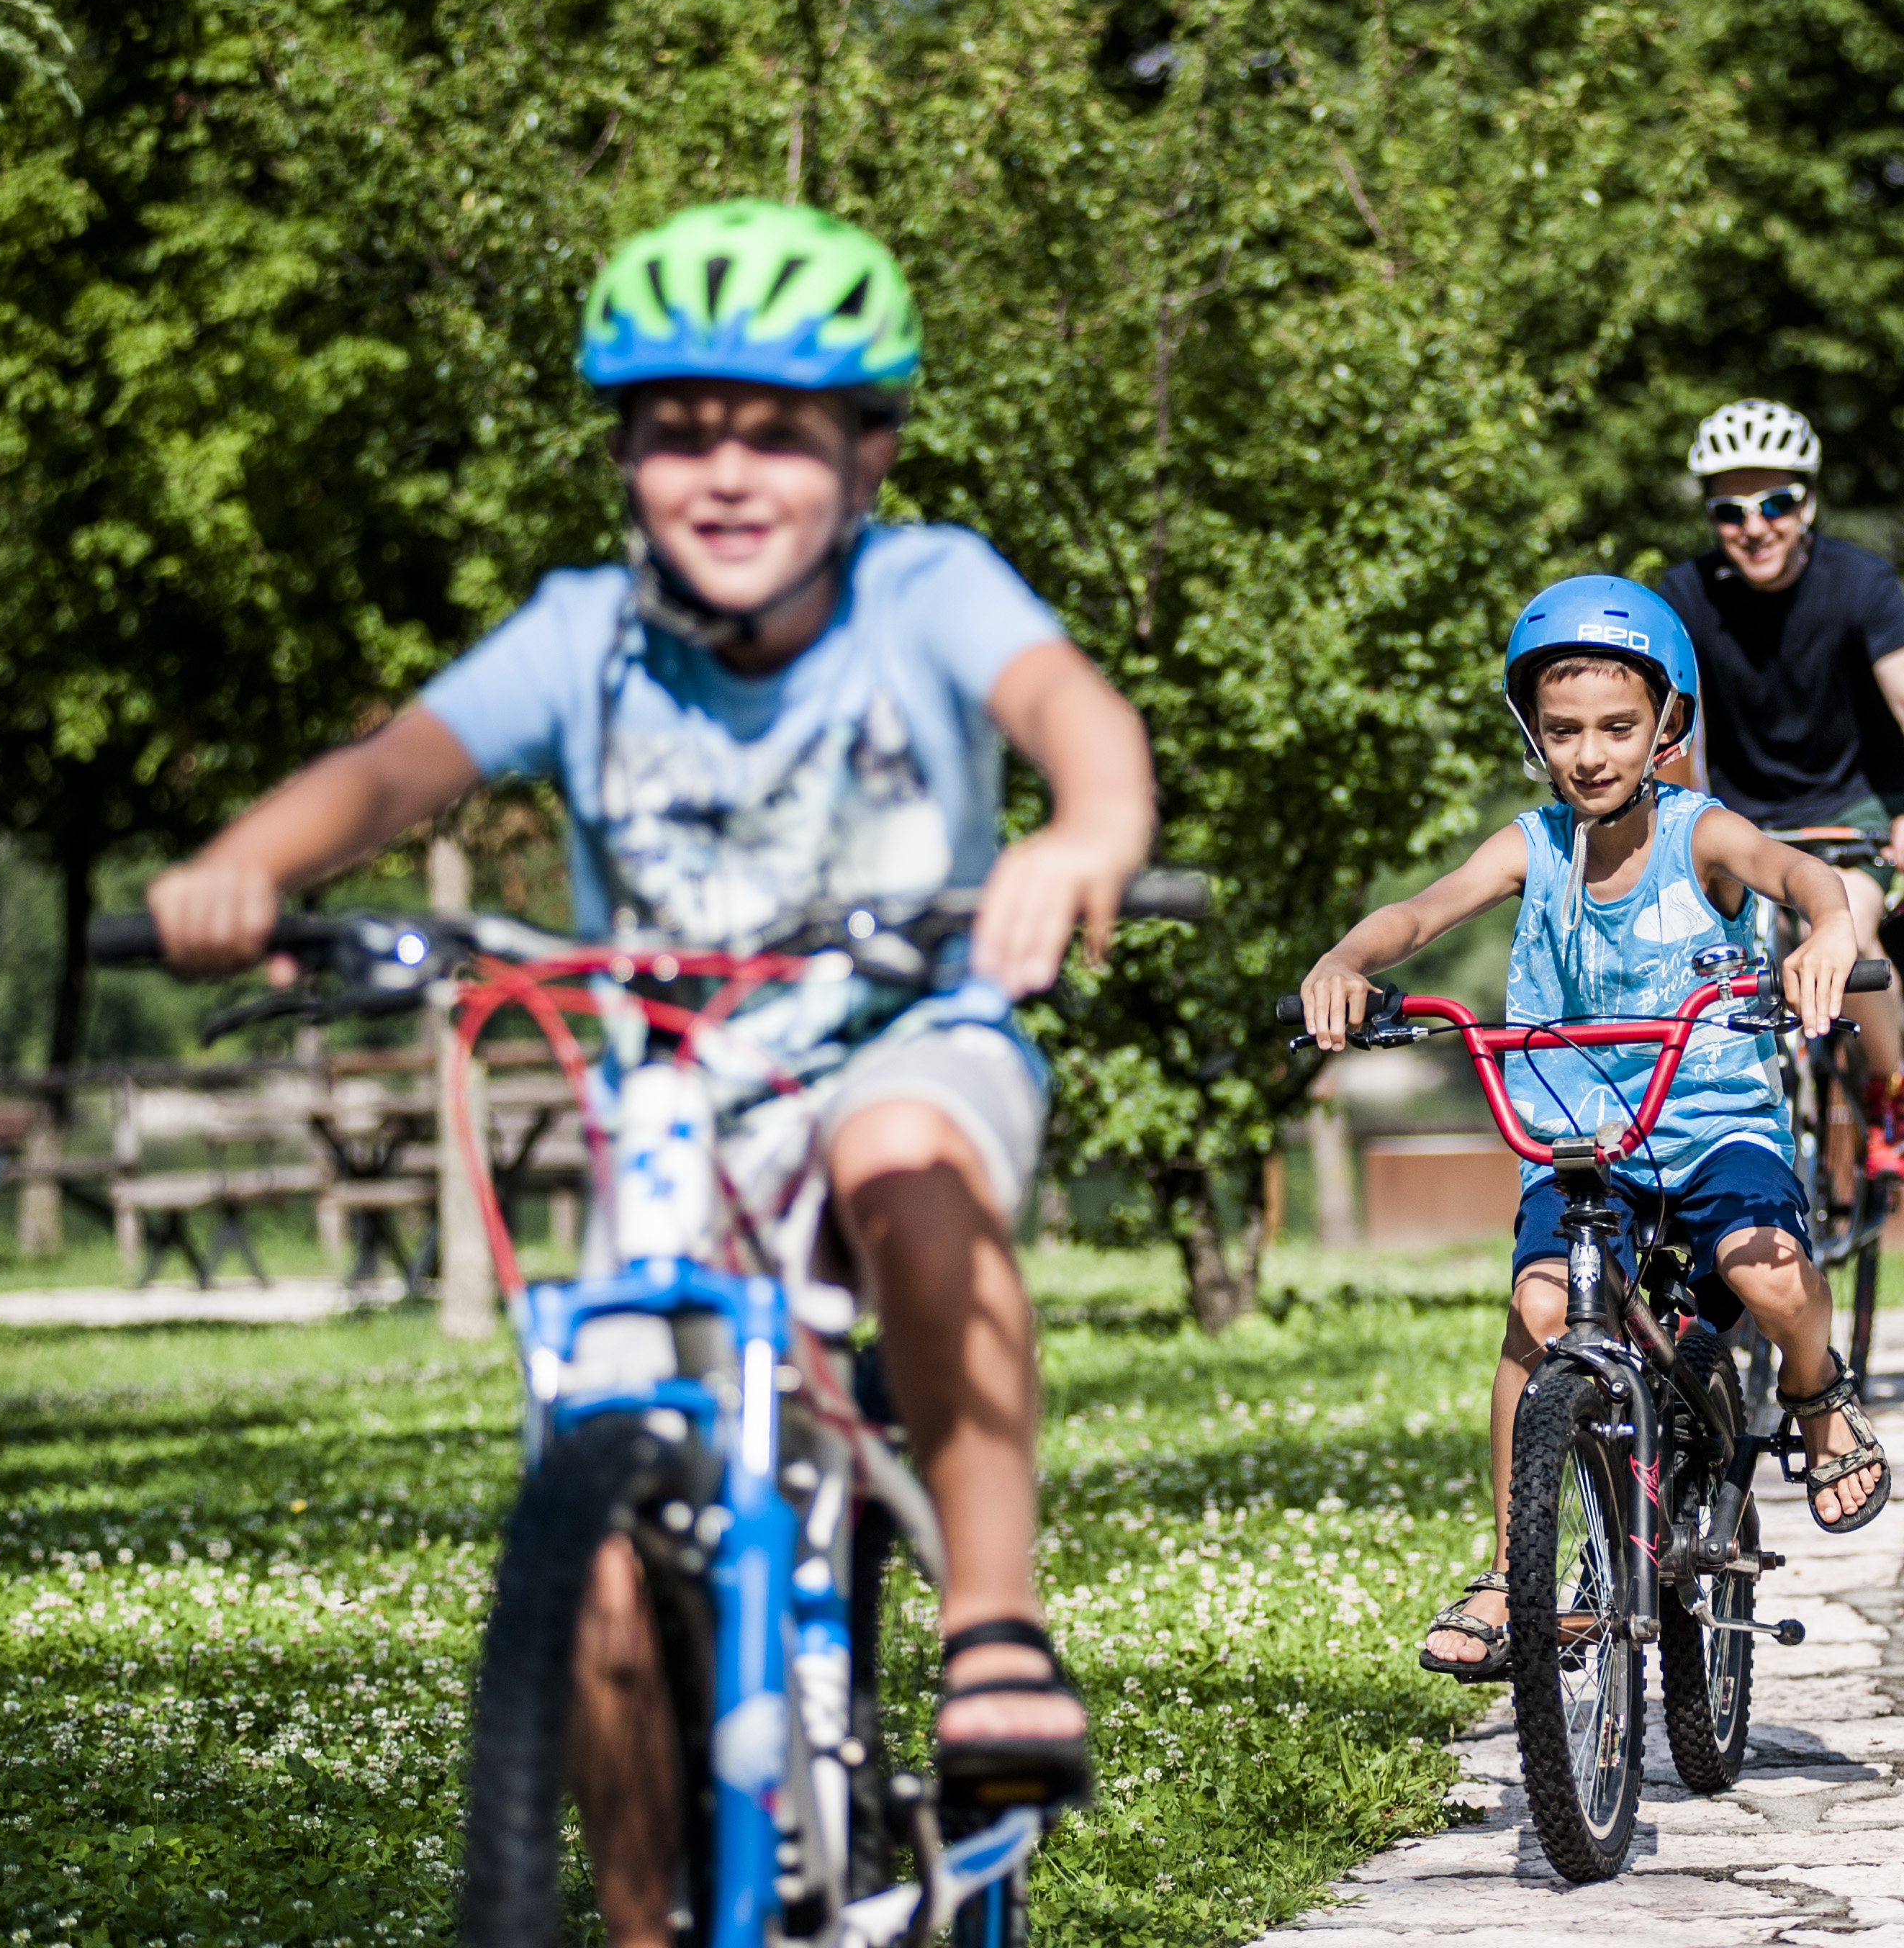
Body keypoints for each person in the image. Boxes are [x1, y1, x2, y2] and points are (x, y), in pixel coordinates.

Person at [138, 201, 1156, 1939]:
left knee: (906, 1156)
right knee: (599, 1549)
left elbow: (1073, 709)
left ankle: (992, 1621)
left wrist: (1086, 835)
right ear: (622, 458)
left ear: (872, 451)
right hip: (678, 1103)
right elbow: (397, 766)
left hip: (906, 1029)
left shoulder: (929, 588)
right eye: (680, 431)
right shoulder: (584, 635)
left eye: (779, 430)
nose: (729, 470)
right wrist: (254, 860)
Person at [1298, 577, 1895, 1683]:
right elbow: (1418, 913)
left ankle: (1815, 1392)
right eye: (1563, 729)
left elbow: (1801, 872)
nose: (1590, 753)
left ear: (1668, 724)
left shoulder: (1698, 833)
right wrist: (1346, 962)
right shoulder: (1530, 845)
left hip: (1712, 1121)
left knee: (1766, 1279)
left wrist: (1826, 932)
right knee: (1536, 1314)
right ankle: (1508, 1564)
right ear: (1532, 731)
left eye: (1618, 727)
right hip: (1581, 1134)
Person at [1656, 399, 1904, 1178]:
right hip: (1746, 822)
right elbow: (1671, 731)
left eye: (1776, 503)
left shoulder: (1861, 584)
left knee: (1845, 928)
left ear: (1807, 503)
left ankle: (1891, 1089)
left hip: (1853, 812)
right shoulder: (1682, 596)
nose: (1754, 526)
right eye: (1729, 510)